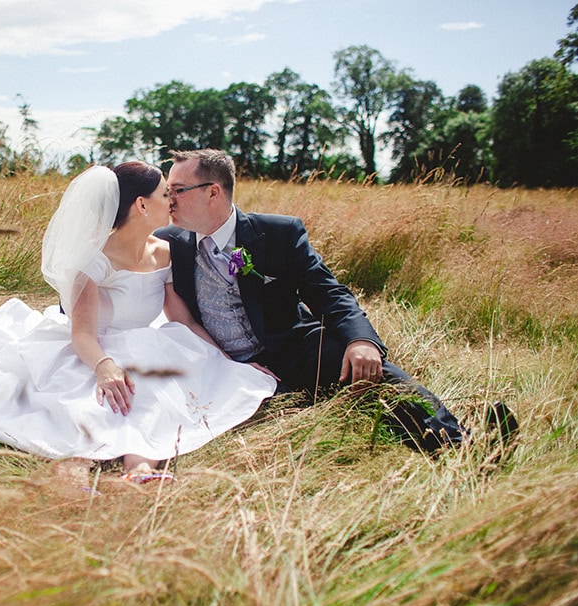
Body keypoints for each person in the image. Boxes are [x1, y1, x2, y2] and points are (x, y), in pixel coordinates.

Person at [0, 162, 277, 479]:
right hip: (94, 348)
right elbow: (82, 333)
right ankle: (74, 470)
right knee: (91, 402)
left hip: (147, 344)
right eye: (164, 194)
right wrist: (104, 367)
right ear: (141, 205)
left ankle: (139, 469)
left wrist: (228, 362)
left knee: (157, 394)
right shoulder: (93, 260)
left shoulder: (164, 253)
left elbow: (182, 319)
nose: (172, 201)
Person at [156, 149, 516, 453]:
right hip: (223, 367)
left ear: (213, 192)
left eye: (178, 190)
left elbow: (327, 291)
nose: (169, 199)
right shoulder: (167, 243)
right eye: (168, 191)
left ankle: (462, 447)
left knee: (366, 370)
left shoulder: (278, 233)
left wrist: (361, 341)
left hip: (293, 350)